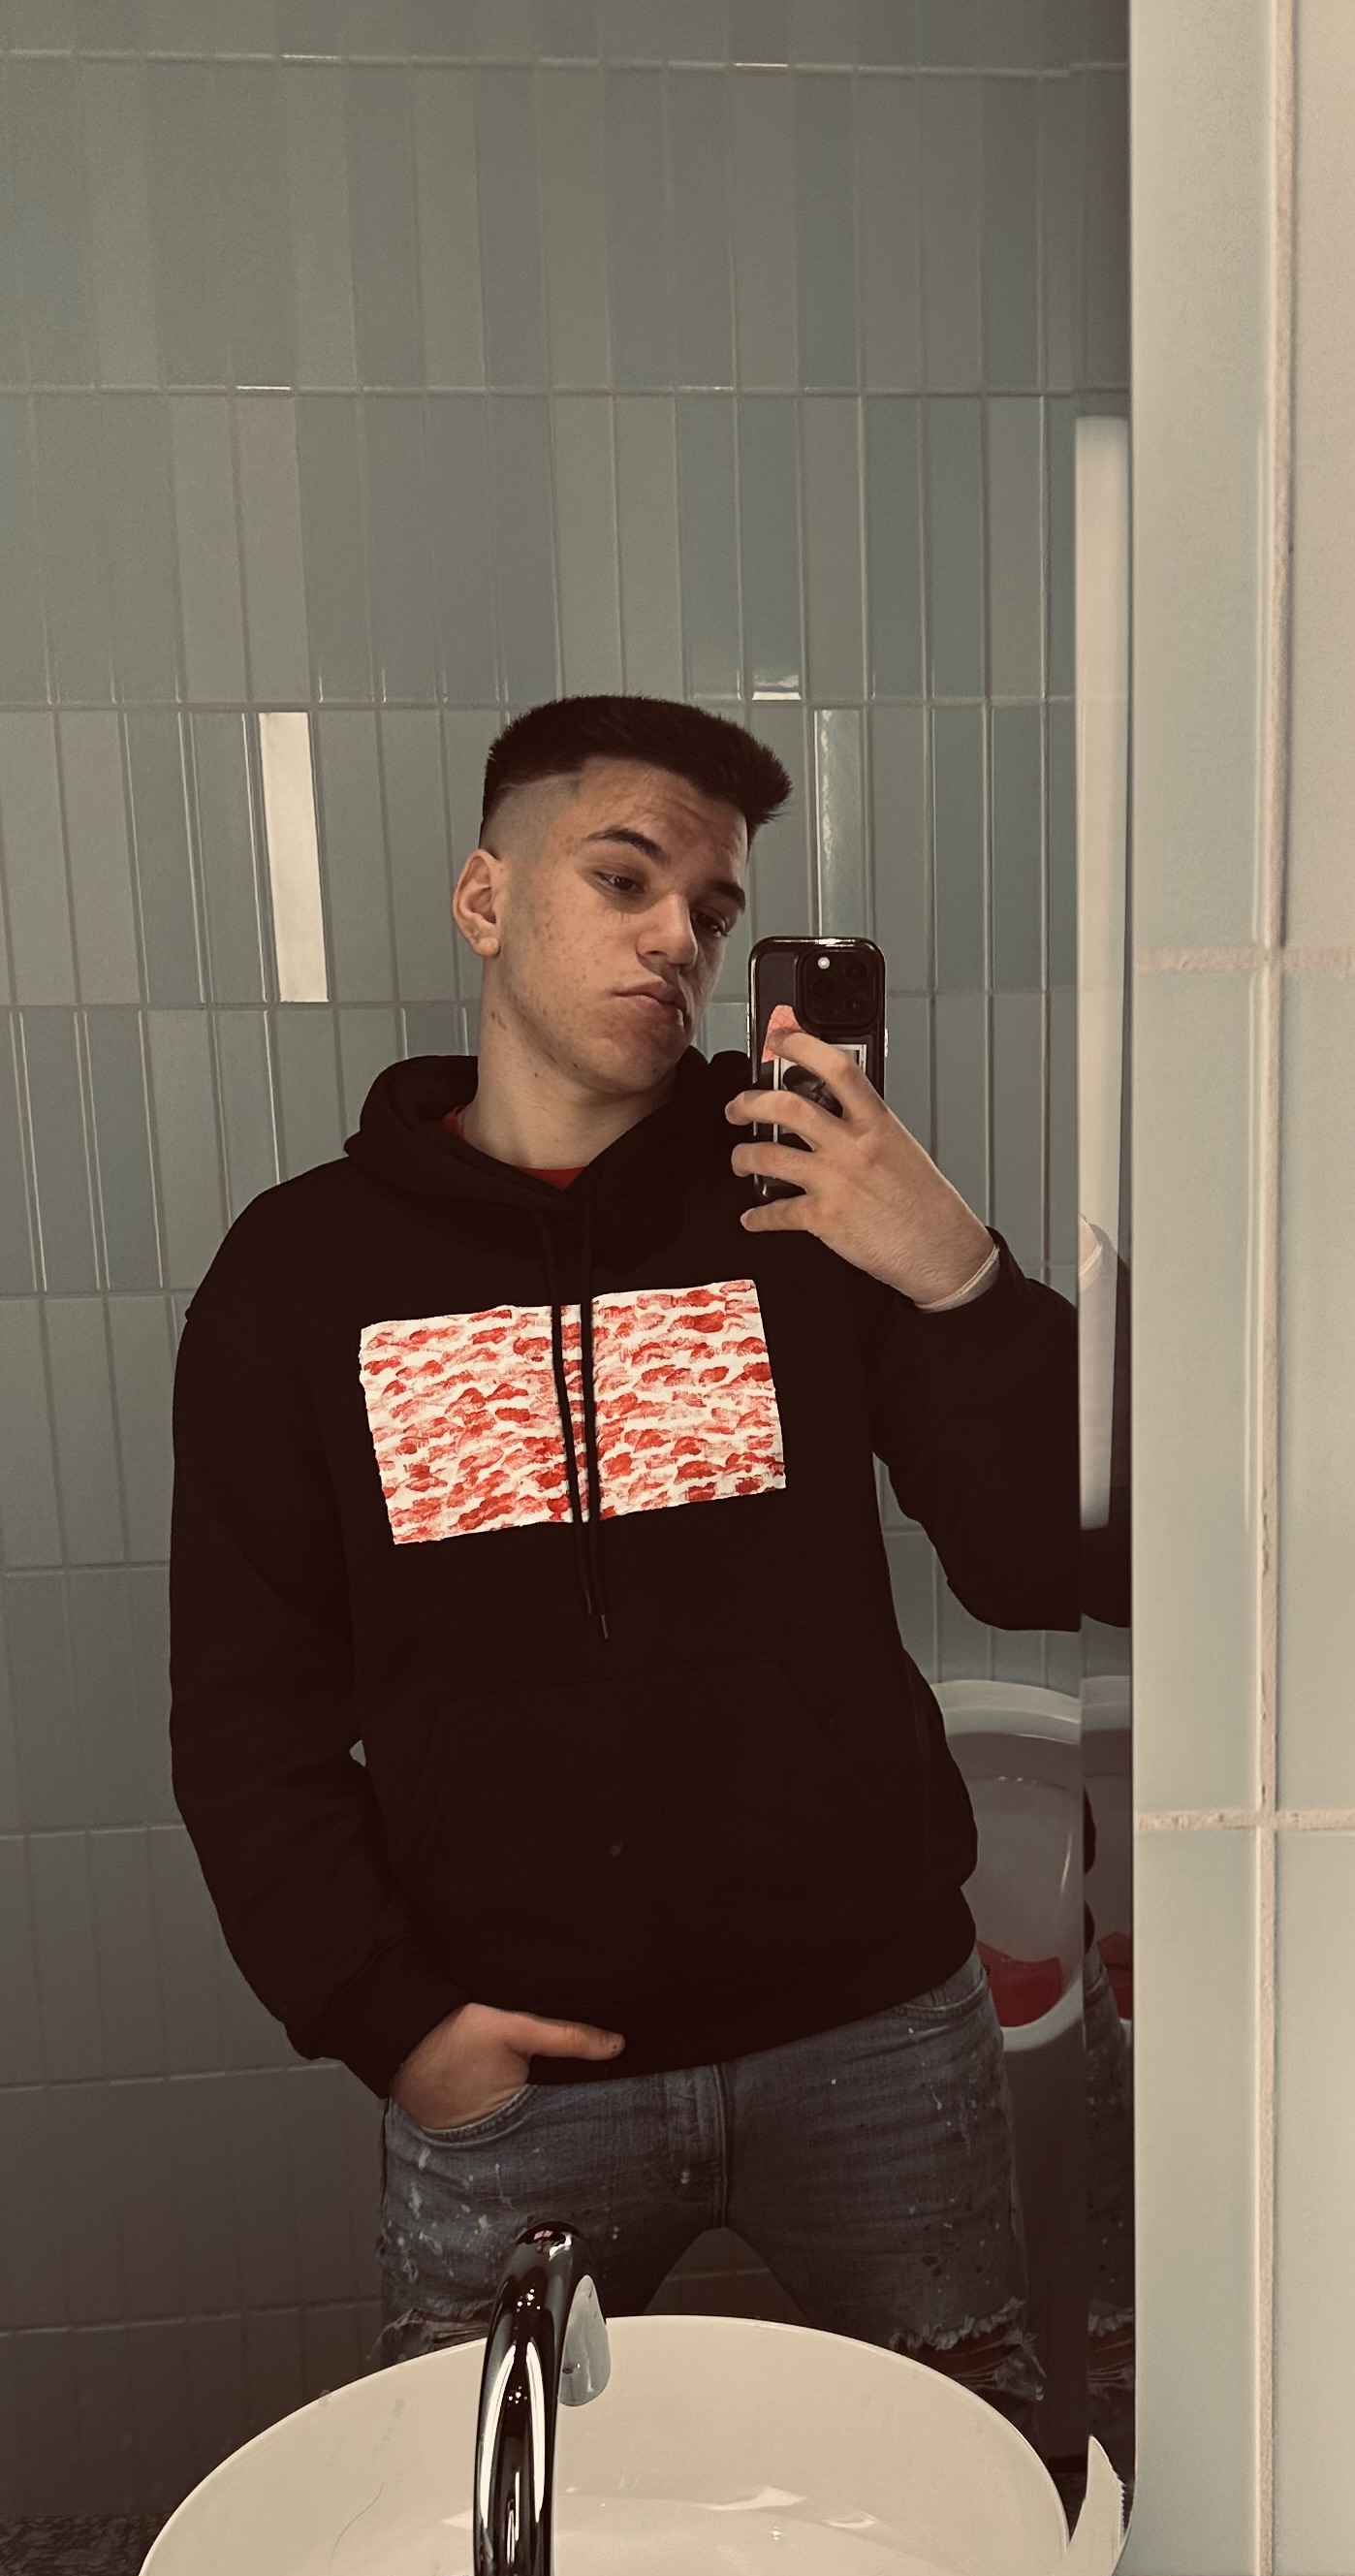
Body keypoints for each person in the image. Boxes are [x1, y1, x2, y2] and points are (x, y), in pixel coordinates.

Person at [169, 692, 1113, 2409]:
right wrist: (389, 2021)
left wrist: (958, 1274)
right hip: (517, 2073)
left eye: (713, 908)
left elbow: (1055, 1565)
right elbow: (247, 1716)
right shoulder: (300, 1277)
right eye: (624, 878)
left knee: (964, 2476)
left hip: (872, 2033)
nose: (678, 934)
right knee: (493, 2522)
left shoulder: (803, 1211)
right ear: (485, 898)